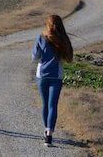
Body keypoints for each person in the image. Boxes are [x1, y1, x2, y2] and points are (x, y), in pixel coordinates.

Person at [31, 15, 73, 147]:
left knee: (45, 104)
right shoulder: (64, 39)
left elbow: (35, 57)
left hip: (42, 75)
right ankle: (49, 134)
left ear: (47, 24)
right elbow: (69, 59)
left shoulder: (41, 37)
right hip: (57, 75)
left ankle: (46, 130)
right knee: (52, 105)